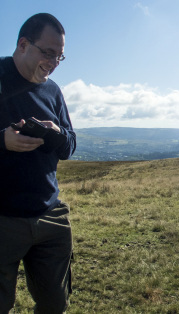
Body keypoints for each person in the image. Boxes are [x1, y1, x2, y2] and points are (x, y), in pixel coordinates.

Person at [0, 13, 77, 313]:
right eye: (48, 53)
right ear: (22, 44)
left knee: (55, 304)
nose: (54, 62)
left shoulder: (53, 91)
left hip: (50, 216)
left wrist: (57, 134)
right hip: (3, 219)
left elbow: (69, 146)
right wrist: (2, 140)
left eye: (60, 56)